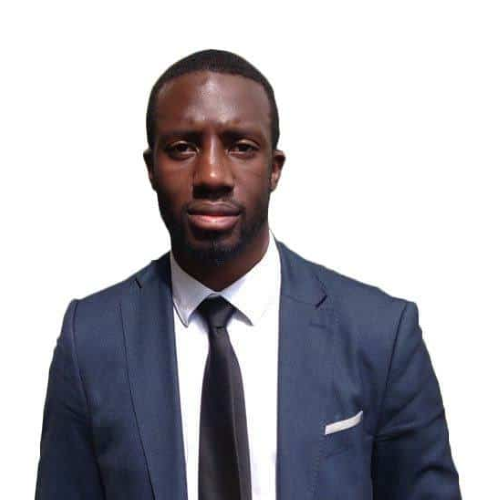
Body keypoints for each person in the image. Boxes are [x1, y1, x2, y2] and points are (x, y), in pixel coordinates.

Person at [35, 49, 462, 500]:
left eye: (241, 147)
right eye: (182, 148)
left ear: (274, 169)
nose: (212, 174)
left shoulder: (380, 335)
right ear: (151, 168)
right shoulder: (92, 340)